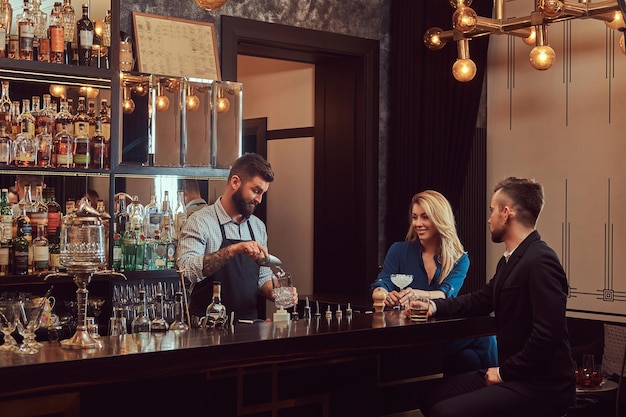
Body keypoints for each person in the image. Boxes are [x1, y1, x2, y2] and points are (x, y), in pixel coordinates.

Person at [417, 177, 576, 417]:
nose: (489, 218)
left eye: (492, 211)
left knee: (443, 411)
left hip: (540, 386)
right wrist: (434, 306)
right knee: (430, 397)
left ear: (506, 212)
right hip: (514, 375)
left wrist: (503, 373)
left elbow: (547, 336)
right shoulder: (510, 260)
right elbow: (481, 300)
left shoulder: (541, 260)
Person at [372, 190, 497, 374]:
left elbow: (445, 293)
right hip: (406, 335)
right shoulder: (398, 250)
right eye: (414, 217)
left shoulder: (459, 259)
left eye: (425, 217)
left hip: (440, 335)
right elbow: (379, 286)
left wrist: (418, 294)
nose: (417, 223)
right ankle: (500, 387)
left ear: (440, 219)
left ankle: (475, 395)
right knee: (482, 342)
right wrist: (384, 295)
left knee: (469, 357)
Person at [177, 153, 297, 322]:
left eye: (262, 193)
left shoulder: (257, 227)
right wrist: (233, 250)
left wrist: (275, 291)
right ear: (235, 182)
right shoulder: (200, 221)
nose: (259, 199)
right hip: (207, 331)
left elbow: (262, 276)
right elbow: (186, 271)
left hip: (249, 329)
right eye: (256, 191)